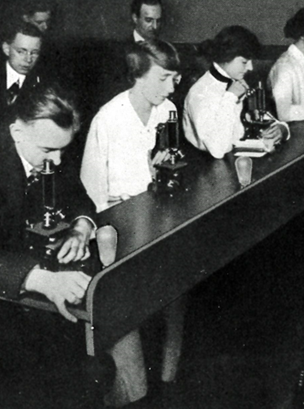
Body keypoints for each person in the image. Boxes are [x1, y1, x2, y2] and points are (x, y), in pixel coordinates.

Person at [80, 39, 184, 406]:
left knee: (177, 281)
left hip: (155, 219)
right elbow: (91, 194)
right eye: (165, 77)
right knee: (128, 295)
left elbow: (174, 169)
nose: (172, 87)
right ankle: (130, 387)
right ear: (139, 75)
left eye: (175, 77)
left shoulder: (167, 110)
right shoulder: (109, 118)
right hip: (116, 229)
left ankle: (169, 376)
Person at [0, 82, 96, 324]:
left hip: (35, 289)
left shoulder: (51, 148)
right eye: (48, 150)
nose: (58, 161)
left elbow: (78, 197)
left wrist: (81, 227)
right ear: (17, 133)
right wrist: (40, 280)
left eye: (63, 150)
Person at [182, 25, 285, 159]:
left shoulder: (236, 82)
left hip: (240, 157)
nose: (250, 67)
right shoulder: (200, 93)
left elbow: (262, 117)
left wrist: (281, 128)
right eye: (244, 62)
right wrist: (230, 98)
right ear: (226, 57)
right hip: (210, 166)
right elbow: (218, 150)